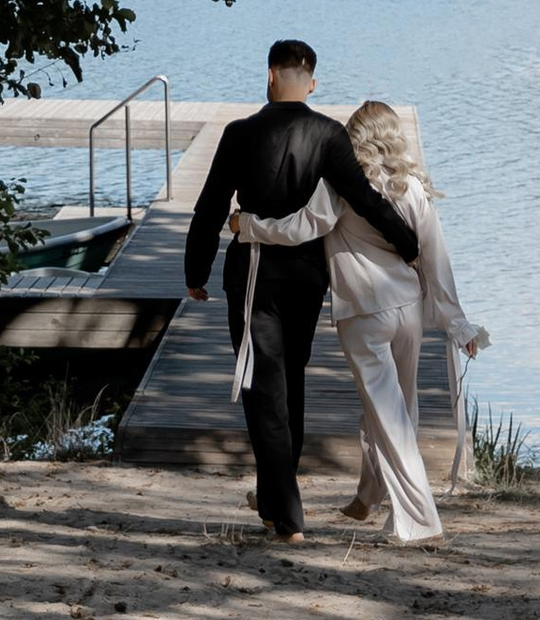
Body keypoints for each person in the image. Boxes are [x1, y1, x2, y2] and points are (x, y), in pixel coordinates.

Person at [182, 40, 415, 543]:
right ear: (310, 82)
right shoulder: (329, 134)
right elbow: (367, 199)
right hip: (309, 277)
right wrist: (409, 243)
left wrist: (195, 270)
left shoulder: (240, 134)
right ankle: (273, 500)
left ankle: (288, 516)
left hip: (255, 275)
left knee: (262, 387)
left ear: (270, 76)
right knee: (288, 380)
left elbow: (209, 206)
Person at [329, 101, 486, 544]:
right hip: (407, 311)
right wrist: (458, 324)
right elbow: (436, 259)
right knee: (399, 411)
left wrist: (253, 226)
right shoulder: (412, 188)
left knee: (388, 416)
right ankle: (369, 494)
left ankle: (420, 521)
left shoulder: (340, 188)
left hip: (363, 311)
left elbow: (306, 225)